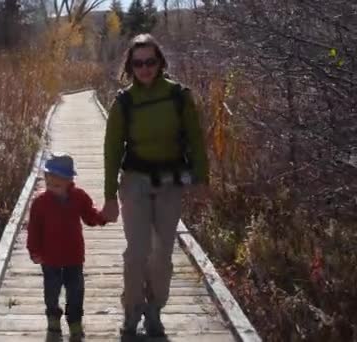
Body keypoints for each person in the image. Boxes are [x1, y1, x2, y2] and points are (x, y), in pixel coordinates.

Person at [100, 33, 209, 338]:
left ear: (160, 62)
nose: (145, 68)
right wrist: (109, 197)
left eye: (150, 61)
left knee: (161, 254)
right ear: (130, 67)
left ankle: (154, 311)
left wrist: (202, 178)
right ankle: (132, 310)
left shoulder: (178, 96)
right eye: (138, 63)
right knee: (137, 253)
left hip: (169, 184)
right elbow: (111, 152)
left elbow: (196, 141)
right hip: (134, 182)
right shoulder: (124, 102)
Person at [26, 152, 107, 341]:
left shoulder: (79, 197)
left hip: (74, 256)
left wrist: (102, 217)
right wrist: (34, 251)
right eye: (49, 184)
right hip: (50, 257)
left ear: (69, 181)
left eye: (57, 185)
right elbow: (34, 229)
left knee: (76, 291)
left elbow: (89, 215)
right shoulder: (40, 203)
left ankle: (75, 322)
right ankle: (53, 321)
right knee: (51, 290)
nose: (52, 188)